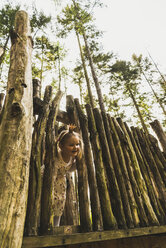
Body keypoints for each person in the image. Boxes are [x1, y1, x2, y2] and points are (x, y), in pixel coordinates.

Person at [52, 124, 83, 227]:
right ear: (61, 146)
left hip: (60, 183)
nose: (75, 147)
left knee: (59, 203)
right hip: (50, 181)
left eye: (77, 144)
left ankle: (56, 226)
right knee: (49, 201)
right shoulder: (57, 155)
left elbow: (70, 169)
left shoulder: (72, 158)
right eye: (71, 145)